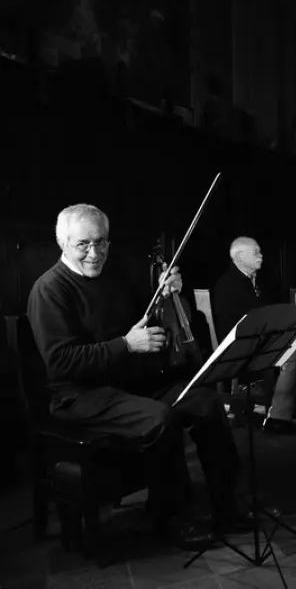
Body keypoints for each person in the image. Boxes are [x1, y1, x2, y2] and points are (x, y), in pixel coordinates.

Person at [27, 204, 250, 549]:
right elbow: (61, 363)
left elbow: (147, 322)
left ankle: (228, 507)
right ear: (62, 243)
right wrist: (125, 346)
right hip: (79, 396)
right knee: (161, 418)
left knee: (205, 403)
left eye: (101, 242)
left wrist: (167, 293)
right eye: (83, 244)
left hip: (125, 384)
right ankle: (171, 518)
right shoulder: (50, 290)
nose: (94, 252)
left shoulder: (114, 277)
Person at [212, 236, 296, 433]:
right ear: (239, 257)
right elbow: (253, 318)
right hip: (241, 347)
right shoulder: (229, 284)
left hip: (259, 338)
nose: (261, 256)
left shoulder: (255, 280)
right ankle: (278, 419)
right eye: (256, 252)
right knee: (294, 355)